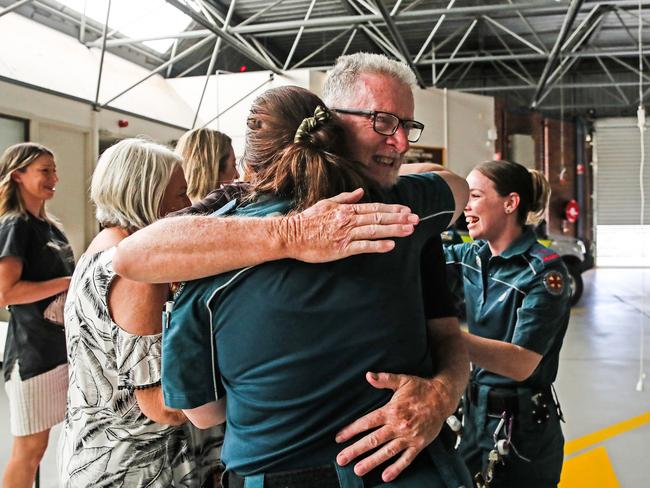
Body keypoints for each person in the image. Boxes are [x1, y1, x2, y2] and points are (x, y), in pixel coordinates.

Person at [113, 52, 470, 484]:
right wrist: (294, 234)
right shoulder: (395, 216)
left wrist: (443, 391)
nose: (400, 142)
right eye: (382, 122)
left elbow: (205, 413)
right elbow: (134, 255)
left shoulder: (399, 212)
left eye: (406, 127)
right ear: (332, 124)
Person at [57, 139, 222, 487]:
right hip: (135, 468)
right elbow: (161, 405)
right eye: (180, 195)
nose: (190, 205)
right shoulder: (136, 274)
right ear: (147, 195)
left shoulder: (100, 249)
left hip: (97, 454)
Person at [445, 160, 570, 487]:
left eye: (473, 196)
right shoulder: (470, 257)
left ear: (510, 203)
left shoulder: (544, 272)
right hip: (473, 417)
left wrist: (440, 337)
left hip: (521, 432)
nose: (466, 208)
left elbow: (520, 362)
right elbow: (412, 265)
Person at [0, 142, 74, 488]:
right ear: (18, 175)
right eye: (45, 170)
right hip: (32, 355)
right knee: (29, 450)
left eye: (54, 170)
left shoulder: (49, 226)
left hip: (58, 350)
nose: (54, 178)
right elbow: (6, 292)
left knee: (40, 449)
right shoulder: (15, 226)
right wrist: (67, 282)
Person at [176, 128, 239, 204]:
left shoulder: (171, 209)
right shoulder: (224, 210)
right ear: (213, 169)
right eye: (234, 165)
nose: (237, 175)